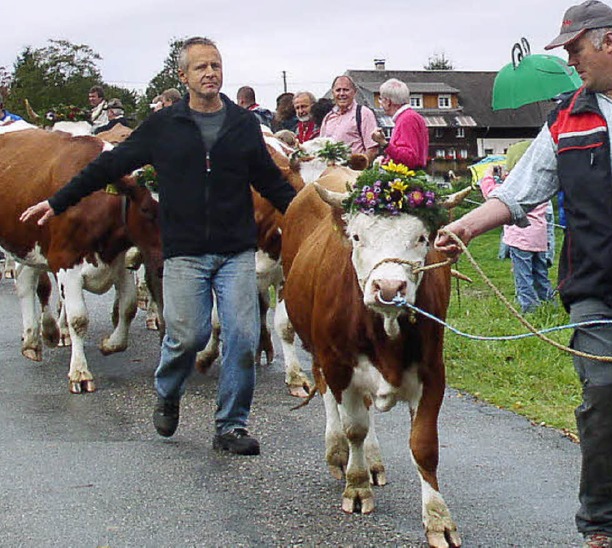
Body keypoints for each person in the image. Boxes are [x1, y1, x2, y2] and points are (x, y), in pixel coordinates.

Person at [20, 36, 297, 457]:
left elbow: (270, 182)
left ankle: (231, 425)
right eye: (201, 67)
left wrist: (308, 215)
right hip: (185, 251)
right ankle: (168, 391)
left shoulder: (241, 125)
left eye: (216, 65)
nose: (210, 73)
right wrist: (58, 201)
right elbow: (109, 166)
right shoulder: (163, 126)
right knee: (188, 337)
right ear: (183, 76)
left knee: (240, 338)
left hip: (235, 249)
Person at [434, 2, 612, 546]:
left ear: (607, 43)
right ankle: (601, 524)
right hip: (594, 288)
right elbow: (521, 189)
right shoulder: (566, 117)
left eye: (574, 48)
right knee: (603, 395)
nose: (570, 60)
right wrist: (465, 227)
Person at [479, 143, 554, 314]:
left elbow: (492, 194)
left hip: (520, 240)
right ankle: (549, 304)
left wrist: (488, 175)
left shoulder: (514, 187)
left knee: (523, 277)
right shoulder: (540, 184)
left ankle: (529, 309)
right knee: (540, 274)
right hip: (539, 239)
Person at [371, 78, 429, 170]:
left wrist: (384, 143)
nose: (380, 104)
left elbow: (409, 159)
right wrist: (385, 161)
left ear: (388, 102)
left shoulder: (407, 120)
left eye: (381, 99)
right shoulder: (410, 116)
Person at [320, 75, 379, 164]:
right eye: (338, 90)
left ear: (354, 92)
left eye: (346, 90)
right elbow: (321, 148)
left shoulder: (364, 113)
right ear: (333, 93)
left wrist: (358, 170)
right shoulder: (328, 118)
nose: (342, 94)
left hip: (353, 173)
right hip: (331, 173)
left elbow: (372, 149)